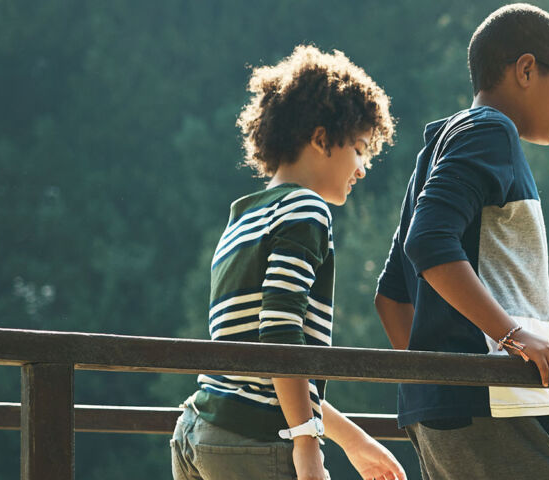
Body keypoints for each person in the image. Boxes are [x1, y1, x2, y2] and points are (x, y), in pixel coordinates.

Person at [371, 4, 549, 479]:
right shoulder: (491, 132)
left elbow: (392, 298)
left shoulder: (441, 144)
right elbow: (430, 244)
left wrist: (436, 387)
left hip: (446, 415)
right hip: (503, 403)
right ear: (527, 69)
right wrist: (514, 339)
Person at [171, 45, 405, 480]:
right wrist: (306, 441)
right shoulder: (306, 210)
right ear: (321, 139)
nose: (363, 167)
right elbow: (279, 333)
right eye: (359, 149)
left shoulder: (245, 216)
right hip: (255, 443)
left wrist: (352, 439)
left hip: (200, 430)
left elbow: (262, 368)